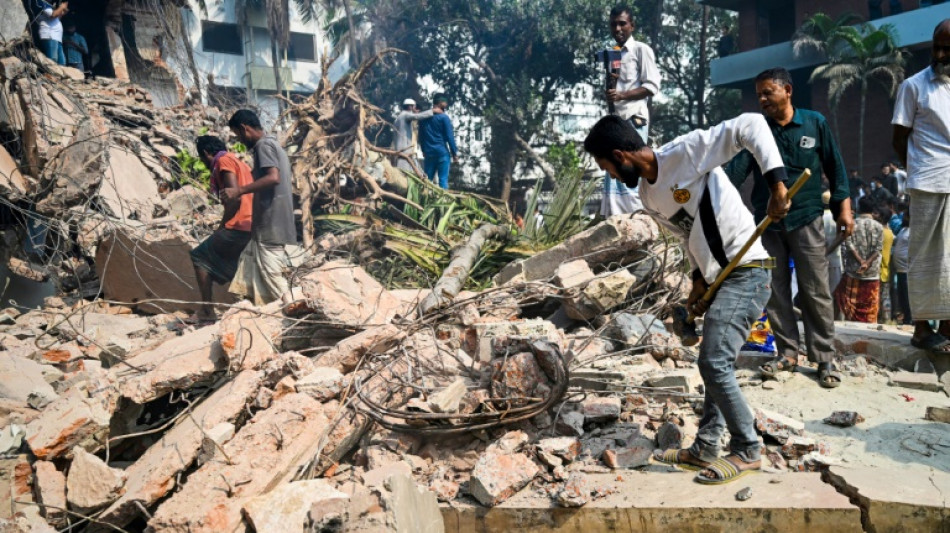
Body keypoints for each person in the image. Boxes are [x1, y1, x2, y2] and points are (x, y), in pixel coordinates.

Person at [584, 113, 790, 484]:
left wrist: (777, 184)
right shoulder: (649, 195)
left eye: (608, 168)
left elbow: (751, 125)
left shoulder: (686, 152)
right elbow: (689, 235)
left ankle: (747, 449)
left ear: (620, 155)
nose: (612, 177)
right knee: (715, 360)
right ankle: (707, 447)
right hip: (720, 278)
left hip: (749, 270)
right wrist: (697, 280)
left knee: (714, 363)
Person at [726, 67, 853, 389]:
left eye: (768, 92)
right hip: (767, 222)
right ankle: (787, 353)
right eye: (759, 95)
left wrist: (844, 210)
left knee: (815, 290)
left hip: (807, 217)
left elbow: (836, 168)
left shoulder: (814, 122)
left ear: (788, 90)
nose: (763, 99)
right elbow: (734, 174)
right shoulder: (757, 129)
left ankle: (823, 358)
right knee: (775, 290)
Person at [893, 19, 950, 354]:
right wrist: (916, 168)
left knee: (949, 259)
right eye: (936, 47)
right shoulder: (914, 86)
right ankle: (920, 328)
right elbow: (899, 138)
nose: (940, 55)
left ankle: (945, 327)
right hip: (927, 181)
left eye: (947, 49)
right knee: (923, 256)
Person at [222, 110, 303, 305]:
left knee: (273, 277)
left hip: (271, 225)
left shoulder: (263, 146)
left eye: (238, 135)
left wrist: (239, 191)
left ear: (244, 129)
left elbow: (273, 177)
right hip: (275, 225)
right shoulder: (275, 145)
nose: (240, 140)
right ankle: (271, 311)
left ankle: (296, 310)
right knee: (251, 265)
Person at [600, 4, 661, 217]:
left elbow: (652, 86)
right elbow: (612, 91)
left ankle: (638, 215)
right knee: (614, 169)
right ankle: (617, 218)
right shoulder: (611, 54)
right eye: (613, 24)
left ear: (631, 25)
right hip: (615, 121)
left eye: (622, 23)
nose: (617, 28)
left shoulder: (641, 50)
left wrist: (622, 95)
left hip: (633, 119)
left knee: (630, 167)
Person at [188, 136, 254, 323]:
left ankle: (207, 312)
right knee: (233, 265)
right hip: (252, 223)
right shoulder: (239, 162)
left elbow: (234, 197)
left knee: (199, 256)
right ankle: (248, 305)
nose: (203, 162)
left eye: (201, 158)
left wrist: (222, 226)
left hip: (240, 223)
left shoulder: (223, 161)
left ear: (207, 153)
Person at [833, 200, 884, 323]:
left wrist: (860, 261)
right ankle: (870, 325)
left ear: (858, 209)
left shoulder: (850, 224)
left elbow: (847, 242)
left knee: (842, 295)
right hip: (872, 273)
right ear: (873, 211)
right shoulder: (879, 226)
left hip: (853, 271)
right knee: (870, 303)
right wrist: (867, 263)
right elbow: (878, 249)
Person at [417, 94, 458, 189]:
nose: (447, 104)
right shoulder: (444, 118)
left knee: (427, 181)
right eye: (445, 102)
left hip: (429, 154)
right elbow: (449, 137)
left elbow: (421, 136)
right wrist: (454, 153)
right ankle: (443, 203)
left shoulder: (424, 118)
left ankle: (424, 201)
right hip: (442, 153)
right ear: (440, 103)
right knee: (443, 180)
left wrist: (423, 150)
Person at [392, 98, 441, 172]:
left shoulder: (398, 117)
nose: (415, 109)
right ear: (410, 107)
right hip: (404, 149)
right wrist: (432, 111)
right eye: (414, 107)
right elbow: (417, 116)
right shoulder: (406, 115)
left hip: (400, 148)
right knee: (404, 171)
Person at [875, 204, 894, 323]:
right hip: (886, 270)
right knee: (885, 297)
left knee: (877, 297)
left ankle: (877, 319)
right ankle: (886, 319)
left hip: (877, 269)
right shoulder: (890, 233)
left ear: (881, 217)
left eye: (876, 213)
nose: (874, 215)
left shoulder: (879, 232)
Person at [893, 208, 912, 324]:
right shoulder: (903, 229)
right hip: (900, 269)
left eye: (906, 215)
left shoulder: (914, 231)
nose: (904, 217)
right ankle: (906, 317)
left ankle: (910, 319)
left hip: (907, 269)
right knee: (902, 296)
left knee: (907, 296)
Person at [822, 191, 843, 294]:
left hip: (821, 260)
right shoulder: (838, 218)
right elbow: (843, 233)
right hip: (836, 259)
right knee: (836, 292)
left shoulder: (818, 218)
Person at [36, 0, 68, 65]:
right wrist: (62, 7)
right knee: (52, 60)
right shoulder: (42, 2)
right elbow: (53, 15)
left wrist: (63, 9)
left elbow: (57, 16)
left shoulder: (50, 6)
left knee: (62, 62)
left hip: (56, 38)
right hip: (50, 35)